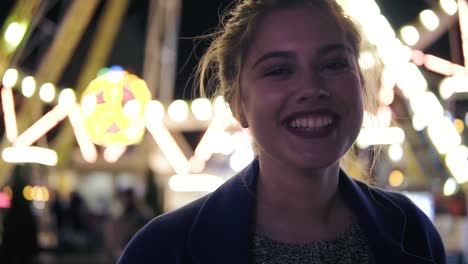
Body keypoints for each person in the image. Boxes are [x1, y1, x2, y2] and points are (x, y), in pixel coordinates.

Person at [118, 0, 446, 263]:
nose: (311, 88)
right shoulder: (162, 250)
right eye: (278, 70)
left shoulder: (413, 232)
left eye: (333, 64)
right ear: (237, 104)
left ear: (360, 83)